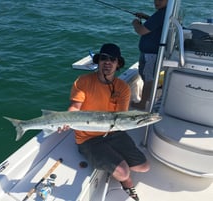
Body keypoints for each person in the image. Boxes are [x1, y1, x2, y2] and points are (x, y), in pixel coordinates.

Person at [60, 43, 149, 201]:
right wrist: (66, 119)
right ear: (98, 61)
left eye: (112, 59)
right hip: (88, 138)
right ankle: (125, 182)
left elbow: (121, 117)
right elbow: (75, 107)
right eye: (103, 58)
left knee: (143, 167)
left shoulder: (122, 88)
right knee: (124, 173)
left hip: (113, 132)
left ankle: (112, 163)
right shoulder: (83, 81)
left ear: (118, 63)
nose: (107, 62)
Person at [131, 0, 168, 110]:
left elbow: (141, 30)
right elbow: (160, 25)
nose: (157, 2)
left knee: (148, 79)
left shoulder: (161, 14)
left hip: (151, 54)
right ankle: (149, 95)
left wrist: (136, 23)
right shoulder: (165, 13)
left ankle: (143, 103)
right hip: (153, 53)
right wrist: (147, 17)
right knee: (147, 76)